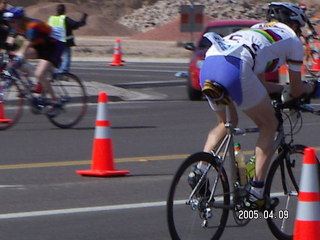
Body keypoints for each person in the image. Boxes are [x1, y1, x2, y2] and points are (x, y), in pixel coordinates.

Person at [189, 2, 320, 208]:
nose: (300, 32)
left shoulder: (258, 30)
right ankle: (257, 191)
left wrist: (280, 87)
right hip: (236, 68)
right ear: (294, 24)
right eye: (300, 27)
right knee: (268, 125)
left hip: (211, 63)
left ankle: (200, 170)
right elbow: (296, 90)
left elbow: (258, 83)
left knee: (225, 123)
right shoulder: (292, 40)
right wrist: (311, 86)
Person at [3, 6, 65, 106]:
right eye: (9, 22)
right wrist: (5, 54)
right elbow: (9, 43)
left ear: (21, 20)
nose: (11, 24)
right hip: (39, 45)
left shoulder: (33, 25)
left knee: (38, 74)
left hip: (53, 46)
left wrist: (19, 55)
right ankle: (30, 85)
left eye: (13, 21)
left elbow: (27, 43)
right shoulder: (15, 27)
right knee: (14, 59)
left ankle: (55, 99)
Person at [48, 4, 87, 73]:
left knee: (58, 58)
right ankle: (63, 72)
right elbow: (76, 25)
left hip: (53, 42)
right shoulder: (64, 19)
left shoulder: (51, 19)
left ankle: (56, 71)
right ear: (64, 11)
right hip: (64, 42)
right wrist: (84, 17)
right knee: (66, 57)